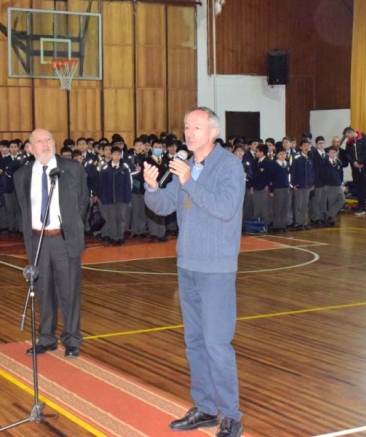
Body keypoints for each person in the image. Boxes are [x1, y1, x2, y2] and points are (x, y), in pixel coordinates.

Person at [144, 107, 244, 437]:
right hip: (187, 265)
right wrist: (152, 189)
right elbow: (164, 207)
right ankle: (205, 407)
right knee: (195, 342)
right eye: (186, 126)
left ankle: (231, 415)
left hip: (215, 268)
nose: (188, 133)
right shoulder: (184, 167)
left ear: (213, 132)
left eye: (196, 127)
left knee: (217, 344)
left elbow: (225, 209)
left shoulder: (228, 165)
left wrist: (190, 180)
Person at [15, 128, 88, 358]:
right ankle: (46, 338)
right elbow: (23, 209)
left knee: (69, 291)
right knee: (42, 291)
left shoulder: (72, 168)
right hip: (37, 240)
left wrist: (71, 227)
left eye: (49, 140)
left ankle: (72, 340)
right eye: (39, 141)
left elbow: (83, 202)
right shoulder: (22, 175)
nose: (45, 144)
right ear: (30, 148)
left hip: (63, 239)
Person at [343, 126, 366, 216]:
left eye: (347, 136)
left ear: (351, 132)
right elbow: (347, 154)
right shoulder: (349, 143)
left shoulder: (365, 138)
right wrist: (354, 163)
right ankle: (361, 207)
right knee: (359, 188)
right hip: (355, 168)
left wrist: (360, 161)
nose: (347, 138)